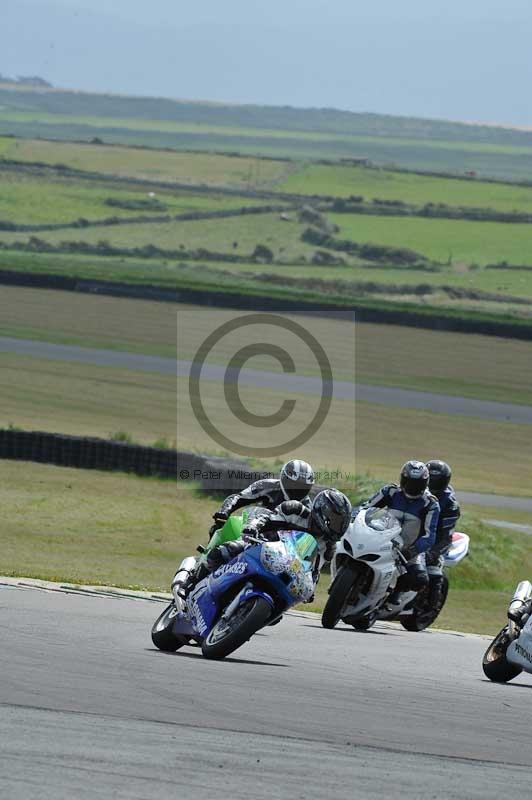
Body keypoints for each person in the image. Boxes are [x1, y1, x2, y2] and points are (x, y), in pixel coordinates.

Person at [194, 489, 353, 594]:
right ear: (322, 510)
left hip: (285, 566)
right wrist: (252, 528)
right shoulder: (295, 510)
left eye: (341, 523)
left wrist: (310, 589)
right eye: (335, 520)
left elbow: (314, 571)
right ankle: (194, 581)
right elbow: (265, 518)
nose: (337, 526)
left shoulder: (329, 546)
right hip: (260, 544)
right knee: (226, 550)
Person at [364, 460, 440, 606]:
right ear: (402, 479)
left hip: (407, 550)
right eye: (409, 482)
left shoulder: (430, 504)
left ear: (425, 484)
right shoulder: (390, 491)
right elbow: (365, 508)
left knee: (420, 579)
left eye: (417, 484)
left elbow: (429, 536)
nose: (412, 487)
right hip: (381, 539)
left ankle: (392, 593)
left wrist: (412, 551)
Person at [208, 459, 315, 539]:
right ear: (284, 478)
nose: (298, 490)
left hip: (281, 546)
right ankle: (205, 563)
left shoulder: (308, 508)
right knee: (219, 527)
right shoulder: (267, 486)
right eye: (294, 485)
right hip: (251, 530)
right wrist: (225, 511)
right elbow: (238, 497)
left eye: (303, 487)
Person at [425, 460, 461, 608]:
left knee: (433, 570)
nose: (432, 484)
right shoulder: (413, 491)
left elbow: (445, 534)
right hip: (409, 533)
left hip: (436, 539)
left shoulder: (450, 504)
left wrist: (433, 552)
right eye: (430, 480)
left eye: (437, 481)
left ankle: (431, 603)